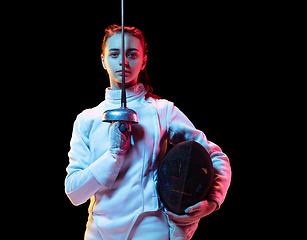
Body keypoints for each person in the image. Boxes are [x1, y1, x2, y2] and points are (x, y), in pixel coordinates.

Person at [65, 24, 232, 240]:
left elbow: (214, 155)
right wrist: (112, 156)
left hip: (150, 228)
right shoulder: (86, 119)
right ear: (103, 60)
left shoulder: (162, 110)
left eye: (132, 54)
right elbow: (75, 193)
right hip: (99, 232)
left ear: (143, 61)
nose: (123, 62)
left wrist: (213, 200)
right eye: (114, 54)